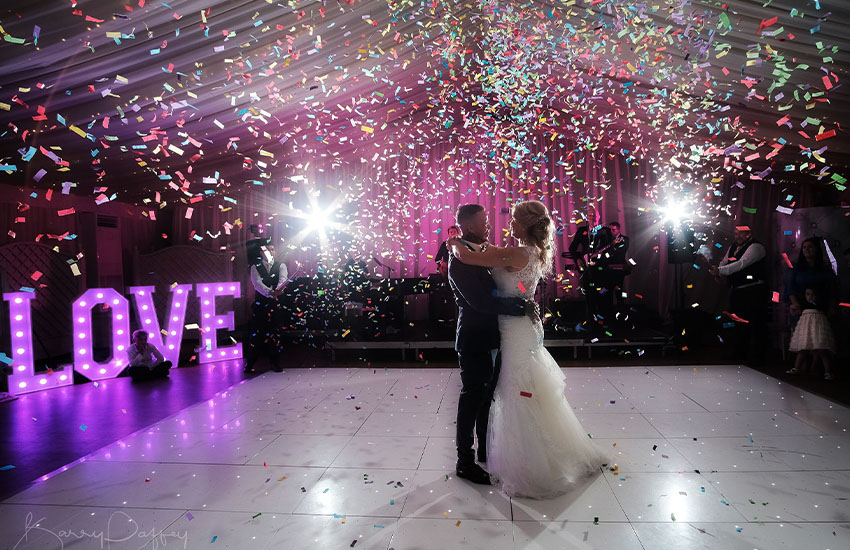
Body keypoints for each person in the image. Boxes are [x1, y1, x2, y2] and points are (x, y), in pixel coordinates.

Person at [449, 200, 610, 498]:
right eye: (486, 220)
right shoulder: (529, 252)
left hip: (514, 332)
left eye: (511, 219)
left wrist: (456, 243)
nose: (500, 224)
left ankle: (525, 461)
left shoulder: (514, 252)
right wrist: (522, 300)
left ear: (524, 225)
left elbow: (478, 262)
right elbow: (508, 290)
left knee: (515, 392)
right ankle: (481, 456)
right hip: (504, 331)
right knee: (505, 392)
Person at [446, 204, 539, 486]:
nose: (489, 225)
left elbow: (508, 283)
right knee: (472, 399)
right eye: (484, 221)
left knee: (488, 398)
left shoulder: (485, 252)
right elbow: (481, 302)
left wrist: (524, 294)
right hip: (474, 338)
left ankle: (485, 451)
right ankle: (465, 461)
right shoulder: (460, 259)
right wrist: (520, 306)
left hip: (497, 336)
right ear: (469, 226)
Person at [708, 226, 769, 366]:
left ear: (748, 234)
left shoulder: (756, 247)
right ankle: (739, 354)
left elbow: (741, 264)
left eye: (741, 234)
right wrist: (718, 272)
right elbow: (725, 262)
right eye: (736, 234)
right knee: (738, 322)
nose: (737, 237)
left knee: (755, 323)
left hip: (754, 290)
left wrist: (720, 270)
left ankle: (757, 358)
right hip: (738, 291)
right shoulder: (733, 247)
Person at [246, 243, 288, 373]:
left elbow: (283, 280)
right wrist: (269, 292)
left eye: (272, 249)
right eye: (267, 250)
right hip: (260, 306)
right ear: (261, 253)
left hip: (275, 305)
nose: (270, 251)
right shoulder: (255, 267)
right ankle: (250, 363)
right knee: (256, 335)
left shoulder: (281, 265)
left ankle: (275, 362)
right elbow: (257, 283)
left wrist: (278, 290)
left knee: (275, 334)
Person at [786, 287, 836, 379]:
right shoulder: (804, 304)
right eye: (808, 294)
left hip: (817, 327)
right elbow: (796, 312)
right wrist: (792, 309)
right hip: (806, 327)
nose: (810, 297)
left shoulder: (820, 305)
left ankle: (828, 371)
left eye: (813, 294)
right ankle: (796, 368)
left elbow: (828, 313)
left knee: (821, 348)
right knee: (803, 349)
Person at [608, 222, 630, 304]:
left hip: (619, 267)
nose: (611, 231)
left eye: (613, 229)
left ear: (618, 229)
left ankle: (622, 307)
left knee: (619, 288)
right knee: (608, 289)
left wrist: (611, 249)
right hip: (609, 268)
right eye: (610, 229)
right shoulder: (608, 239)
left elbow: (622, 251)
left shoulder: (625, 239)